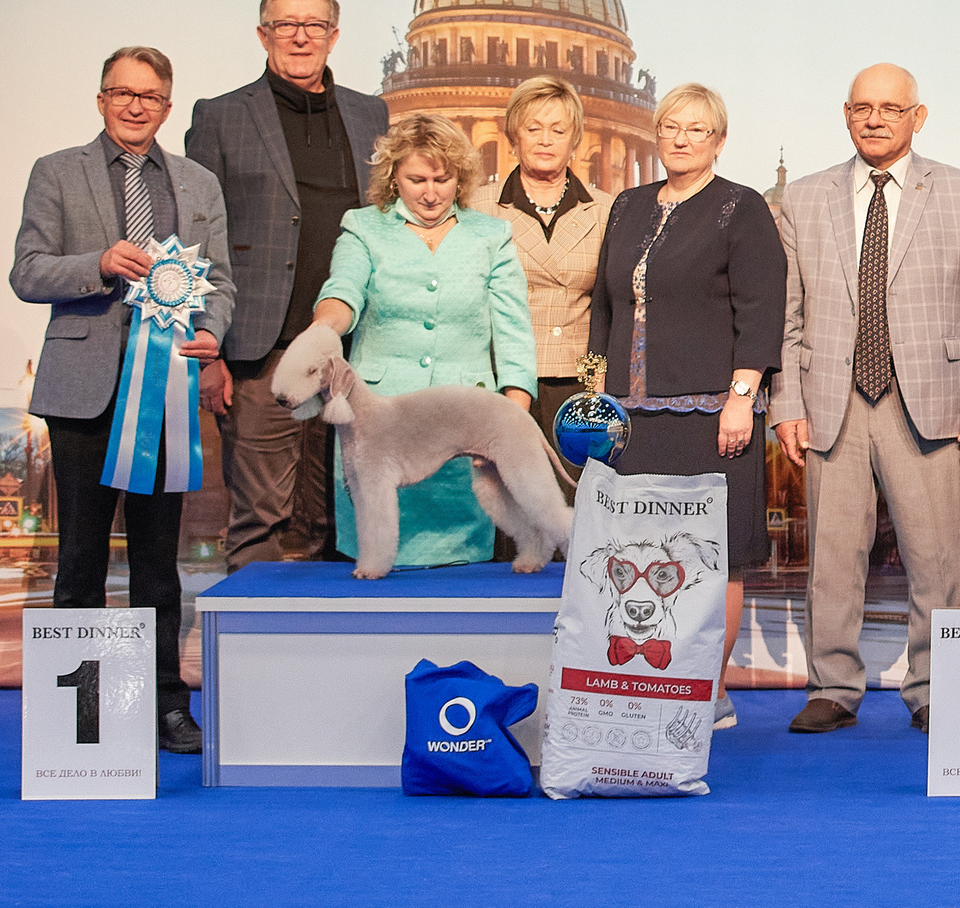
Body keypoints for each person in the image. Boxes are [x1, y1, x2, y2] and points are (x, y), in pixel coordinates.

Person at [771, 65, 960, 735]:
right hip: (831, 401)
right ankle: (833, 686)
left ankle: (937, 685)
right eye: (862, 108)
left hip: (928, 399)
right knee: (832, 556)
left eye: (890, 108)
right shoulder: (806, 197)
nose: (875, 119)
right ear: (846, 113)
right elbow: (788, 316)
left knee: (935, 558)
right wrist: (786, 401)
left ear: (918, 115)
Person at [10, 47, 233, 754]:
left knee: (157, 562)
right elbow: (27, 270)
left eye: (150, 95)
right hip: (80, 392)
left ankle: (167, 703)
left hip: (164, 391)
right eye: (121, 92)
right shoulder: (57, 170)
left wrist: (210, 332)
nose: (135, 106)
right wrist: (98, 263)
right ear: (101, 99)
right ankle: (81, 718)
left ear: (168, 105)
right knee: (78, 558)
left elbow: (220, 281)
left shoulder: (199, 184)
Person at [589, 83, 785, 729]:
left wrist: (741, 397)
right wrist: (597, 388)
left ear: (718, 140)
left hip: (712, 417)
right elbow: (606, 306)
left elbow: (761, 310)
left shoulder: (742, 207)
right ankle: (648, 684)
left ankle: (707, 688)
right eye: (671, 125)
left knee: (714, 554)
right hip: (633, 416)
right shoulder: (627, 206)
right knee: (644, 552)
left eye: (696, 129)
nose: (680, 138)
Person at [185, 0, 388, 566]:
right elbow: (197, 241)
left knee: (343, 513)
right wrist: (210, 352)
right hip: (260, 347)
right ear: (262, 34)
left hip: (353, 347)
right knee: (260, 518)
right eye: (286, 24)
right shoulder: (220, 116)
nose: (301, 36)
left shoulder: (370, 113)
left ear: (334, 35)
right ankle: (251, 656)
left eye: (315, 25)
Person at [300, 112, 535, 570]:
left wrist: (511, 424)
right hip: (377, 423)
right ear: (393, 178)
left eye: (442, 179)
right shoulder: (362, 227)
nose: (430, 192)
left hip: (465, 426)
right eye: (417, 179)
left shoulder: (492, 236)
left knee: (459, 584)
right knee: (376, 572)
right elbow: (342, 291)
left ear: (460, 178)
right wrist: (323, 330)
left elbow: (513, 334)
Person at [488, 75, 618, 441]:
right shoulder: (478, 206)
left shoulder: (606, 211)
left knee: (570, 496)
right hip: (502, 379)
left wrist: (599, 385)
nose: (546, 140)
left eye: (558, 130)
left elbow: (610, 307)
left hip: (579, 386)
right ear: (515, 136)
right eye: (534, 128)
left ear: (574, 142)